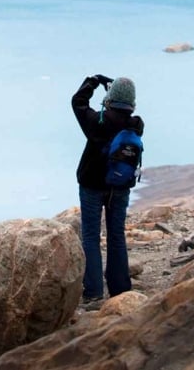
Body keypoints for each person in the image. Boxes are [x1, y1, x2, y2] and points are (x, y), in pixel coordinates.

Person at [72, 74, 144, 301]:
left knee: (91, 237)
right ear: (132, 103)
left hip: (92, 186)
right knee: (116, 236)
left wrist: (93, 81)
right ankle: (120, 290)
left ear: (110, 99)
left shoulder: (97, 122)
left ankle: (93, 293)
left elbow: (78, 102)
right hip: (120, 187)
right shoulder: (136, 125)